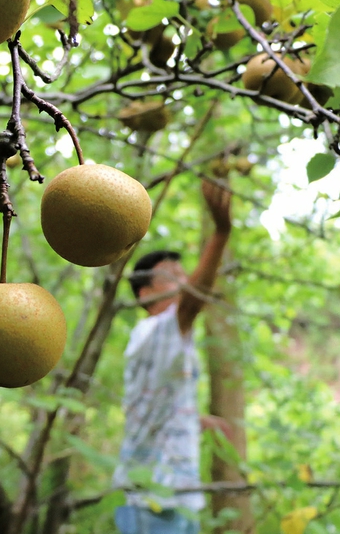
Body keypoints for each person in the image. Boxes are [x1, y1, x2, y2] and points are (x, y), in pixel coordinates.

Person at [112, 180, 234, 534]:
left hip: (176, 490)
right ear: (146, 292)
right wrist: (221, 233)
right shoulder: (156, 329)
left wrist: (198, 418)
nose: (183, 281)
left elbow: (156, 398)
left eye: (184, 274)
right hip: (153, 494)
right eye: (173, 277)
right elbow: (194, 299)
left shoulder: (162, 337)